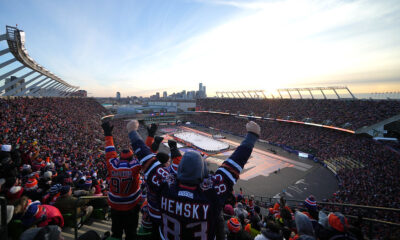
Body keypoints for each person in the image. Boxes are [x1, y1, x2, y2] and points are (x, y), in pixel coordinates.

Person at [127, 119, 260, 239]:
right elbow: (235, 163)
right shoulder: (212, 191)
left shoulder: (165, 183)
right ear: (202, 173)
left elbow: (145, 157)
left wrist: (133, 132)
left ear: (178, 170)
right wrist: (252, 136)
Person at [101, 120, 142, 240]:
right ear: (131, 157)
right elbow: (146, 155)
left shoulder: (112, 164)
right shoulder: (135, 166)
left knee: (116, 232)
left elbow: (109, 151)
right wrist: (150, 138)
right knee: (131, 233)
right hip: (131, 205)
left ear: (119, 157)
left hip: (115, 205)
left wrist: (108, 134)